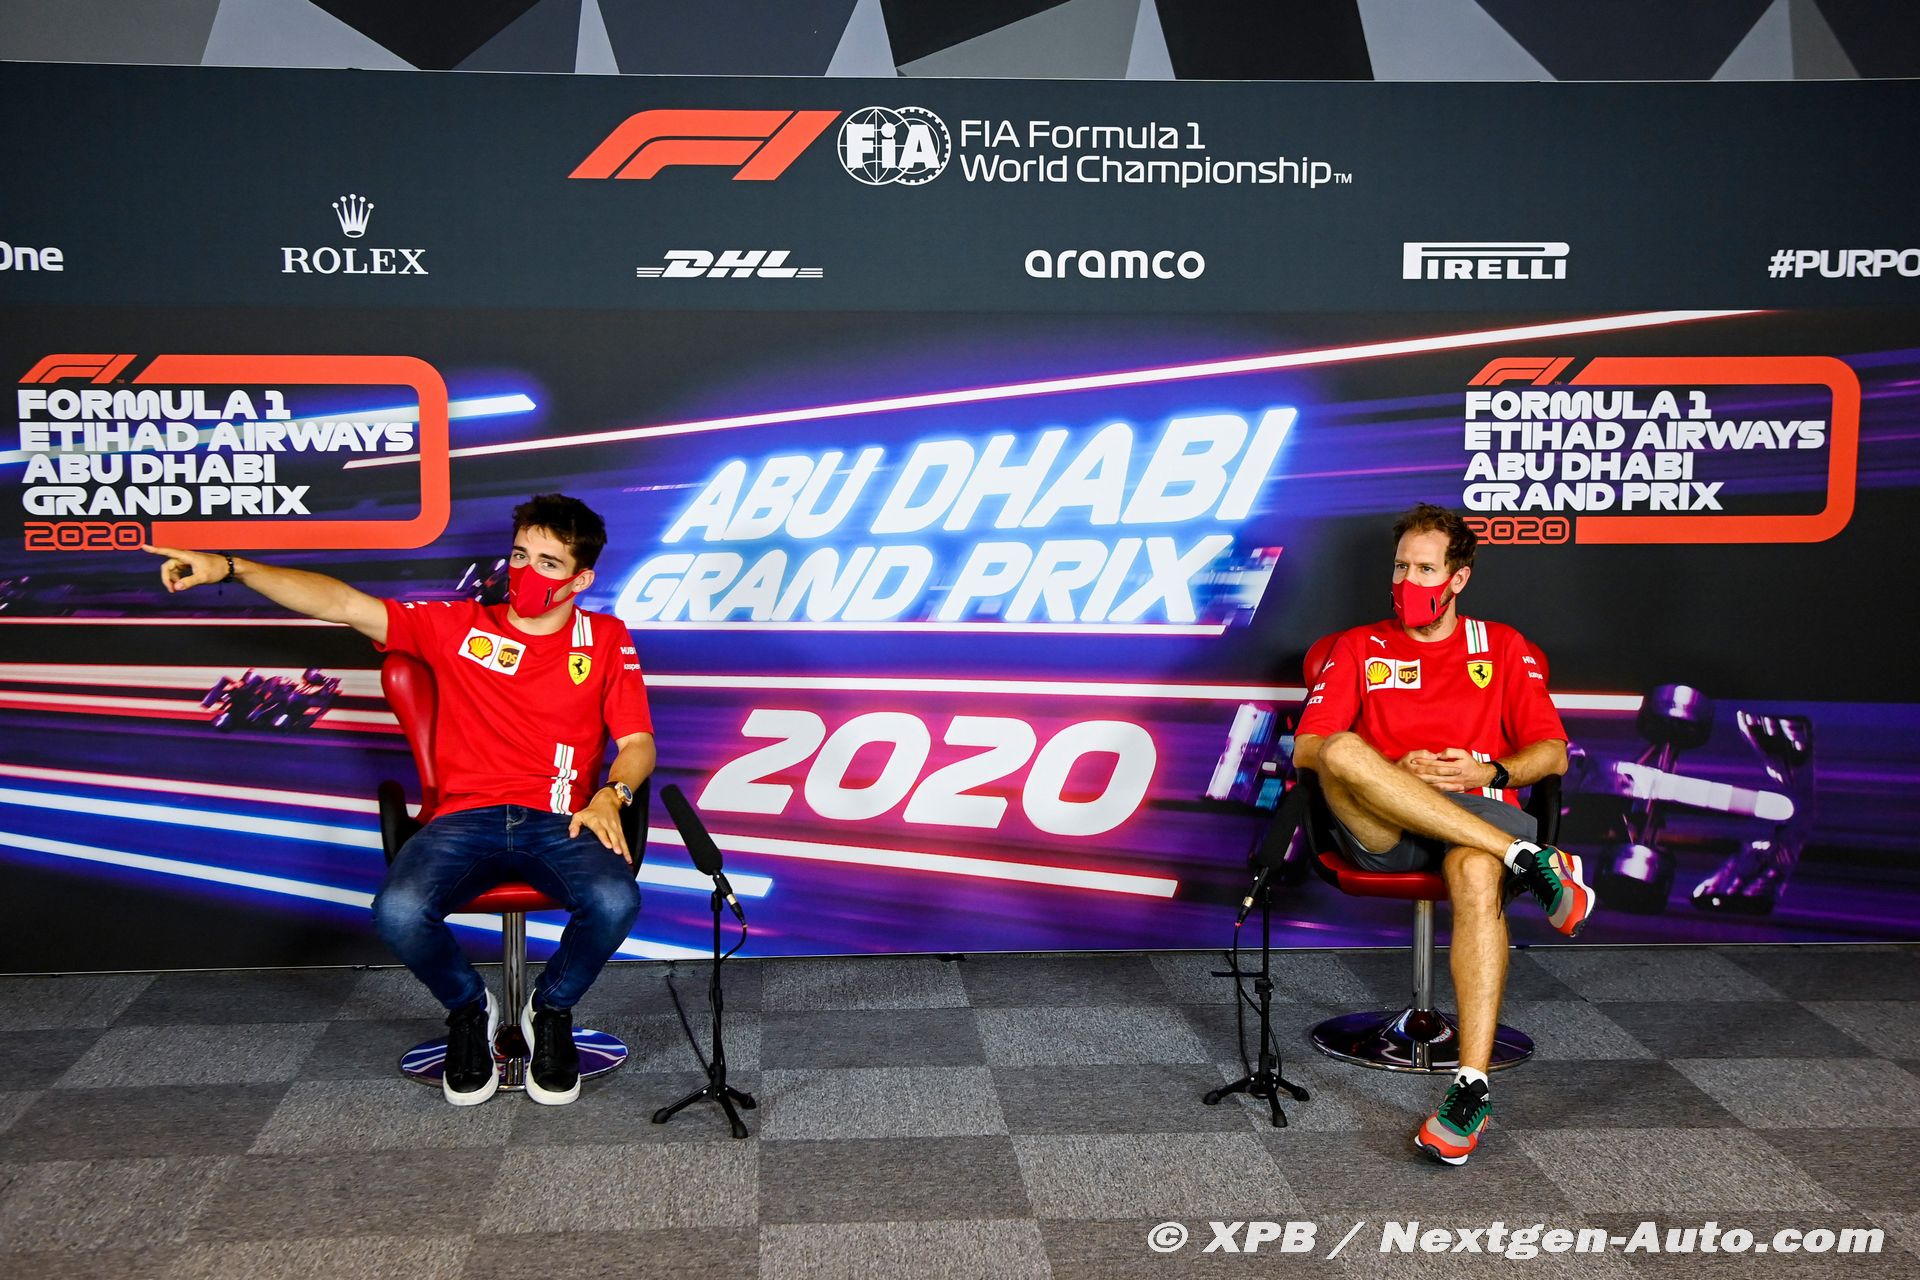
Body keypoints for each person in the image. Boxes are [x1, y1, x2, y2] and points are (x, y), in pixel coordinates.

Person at [144, 494, 656, 1107]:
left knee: (615, 899)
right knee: (398, 912)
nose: (525, 572)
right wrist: (233, 567)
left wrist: (612, 794)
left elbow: (637, 743)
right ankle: (471, 1011)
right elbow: (341, 603)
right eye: (520, 555)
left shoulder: (605, 637)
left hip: (560, 818)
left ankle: (550, 1012)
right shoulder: (457, 625)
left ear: (580, 580)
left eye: (548, 563)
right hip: (463, 818)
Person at [1292, 503, 1594, 1165]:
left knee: (1476, 870)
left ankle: (1470, 1088)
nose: (1408, 581)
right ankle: (1529, 857)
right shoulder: (1358, 646)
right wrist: (1388, 772)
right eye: (1400, 567)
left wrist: (1490, 770)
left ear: (1458, 578)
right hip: (1384, 823)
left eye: (1425, 569)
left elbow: (1553, 753)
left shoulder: (1502, 646)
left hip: (1476, 818)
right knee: (1339, 748)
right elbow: (1309, 748)